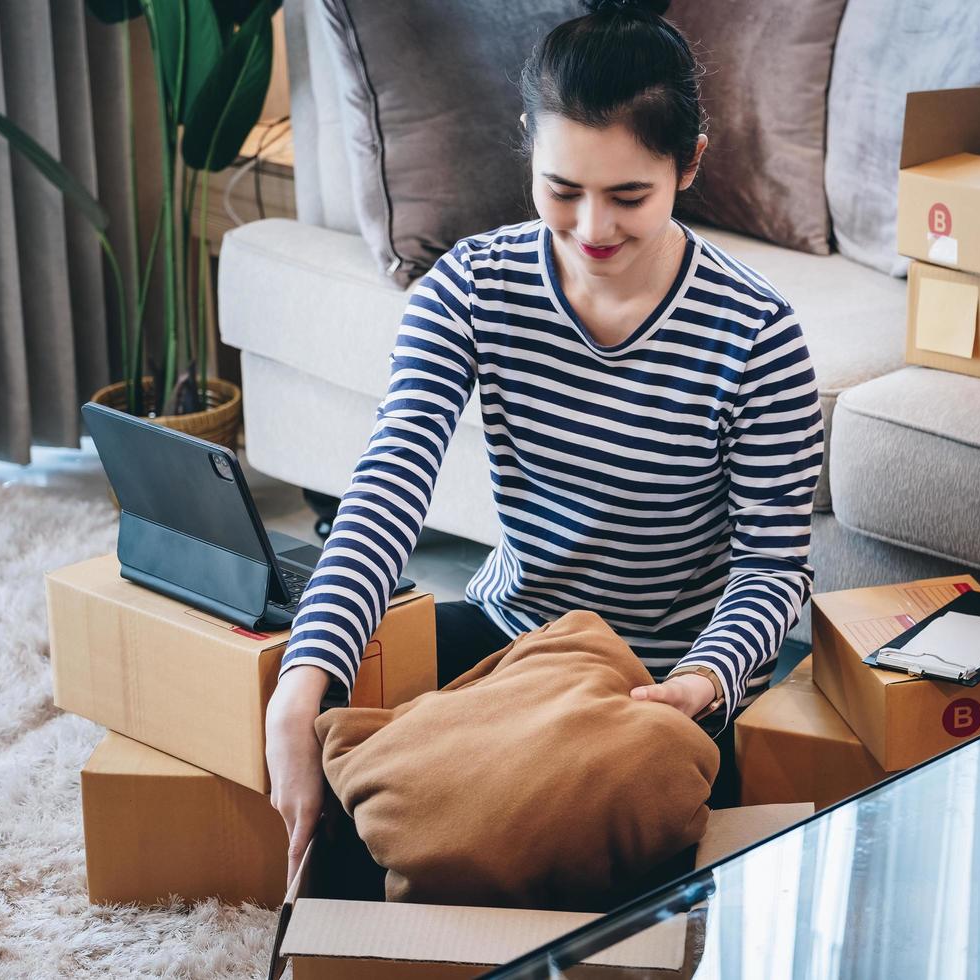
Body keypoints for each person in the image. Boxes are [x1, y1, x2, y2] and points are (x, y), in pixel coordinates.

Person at [265, 0, 823, 884]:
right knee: (329, 743)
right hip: (509, 633)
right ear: (528, 144)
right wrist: (306, 673)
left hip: (658, 681)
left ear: (690, 164)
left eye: (628, 195)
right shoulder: (472, 286)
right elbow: (387, 486)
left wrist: (701, 684)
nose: (593, 229)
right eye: (562, 190)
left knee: (562, 834)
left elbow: (772, 571)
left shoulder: (757, 334)